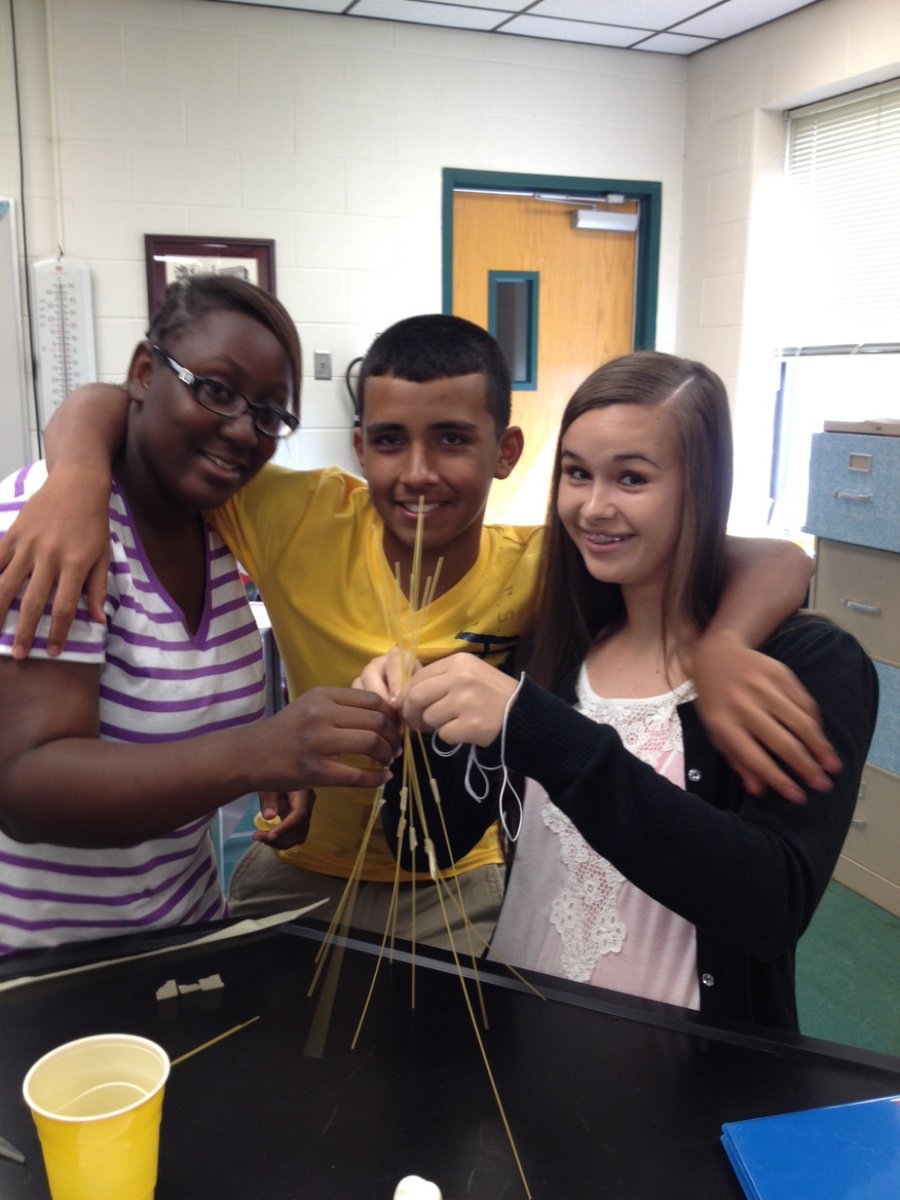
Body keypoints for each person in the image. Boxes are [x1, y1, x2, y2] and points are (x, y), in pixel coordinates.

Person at [0, 318, 834, 951]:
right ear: (359, 445)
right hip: (292, 873)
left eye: (453, 441)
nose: (420, 473)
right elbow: (127, 403)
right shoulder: (293, 513)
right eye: (390, 442)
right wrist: (74, 472)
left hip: (458, 890)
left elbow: (770, 557)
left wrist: (723, 643)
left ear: (506, 451)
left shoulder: (542, 568)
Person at [369, 351, 877, 1031]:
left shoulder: (807, 664)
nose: (594, 507)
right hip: (520, 1041)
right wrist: (421, 719)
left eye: (631, 478)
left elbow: (770, 905)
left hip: (685, 1076)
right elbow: (420, 849)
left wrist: (542, 731)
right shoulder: (553, 644)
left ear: (700, 487)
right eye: (577, 474)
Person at [0, 275, 400, 955]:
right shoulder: (55, 525)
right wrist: (255, 752)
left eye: (270, 414)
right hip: (49, 970)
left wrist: (280, 763)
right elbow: (22, 786)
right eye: (216, 390)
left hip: (181, 937)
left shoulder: (219, 523)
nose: (243, 430)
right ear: (146, 372)